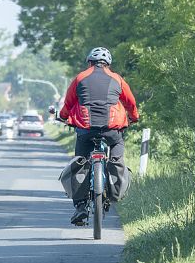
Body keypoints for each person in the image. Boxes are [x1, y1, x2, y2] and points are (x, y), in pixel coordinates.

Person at [56, 47, 139, 225]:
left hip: (86, 128)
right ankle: (114, 187)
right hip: (112, 128)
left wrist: (63, 117)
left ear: (89, 62)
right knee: (116, 152)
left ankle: (80, 206)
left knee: (80, 161)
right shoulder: (117, 79)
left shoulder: (80, 78)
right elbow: (130, 102)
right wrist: (134, 117)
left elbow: (69, 103)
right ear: (108, 63)